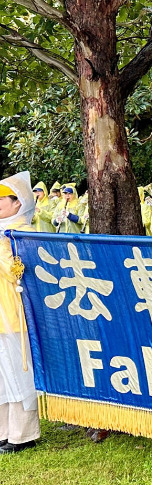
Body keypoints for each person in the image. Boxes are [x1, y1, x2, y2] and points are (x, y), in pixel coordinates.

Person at [0, 171, 40, 453]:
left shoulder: (23, 233)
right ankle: (4, 430)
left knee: (19, 371)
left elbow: (19, 273)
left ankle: (23, 434)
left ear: (18, 203)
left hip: (15, 312)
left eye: (2, 200)